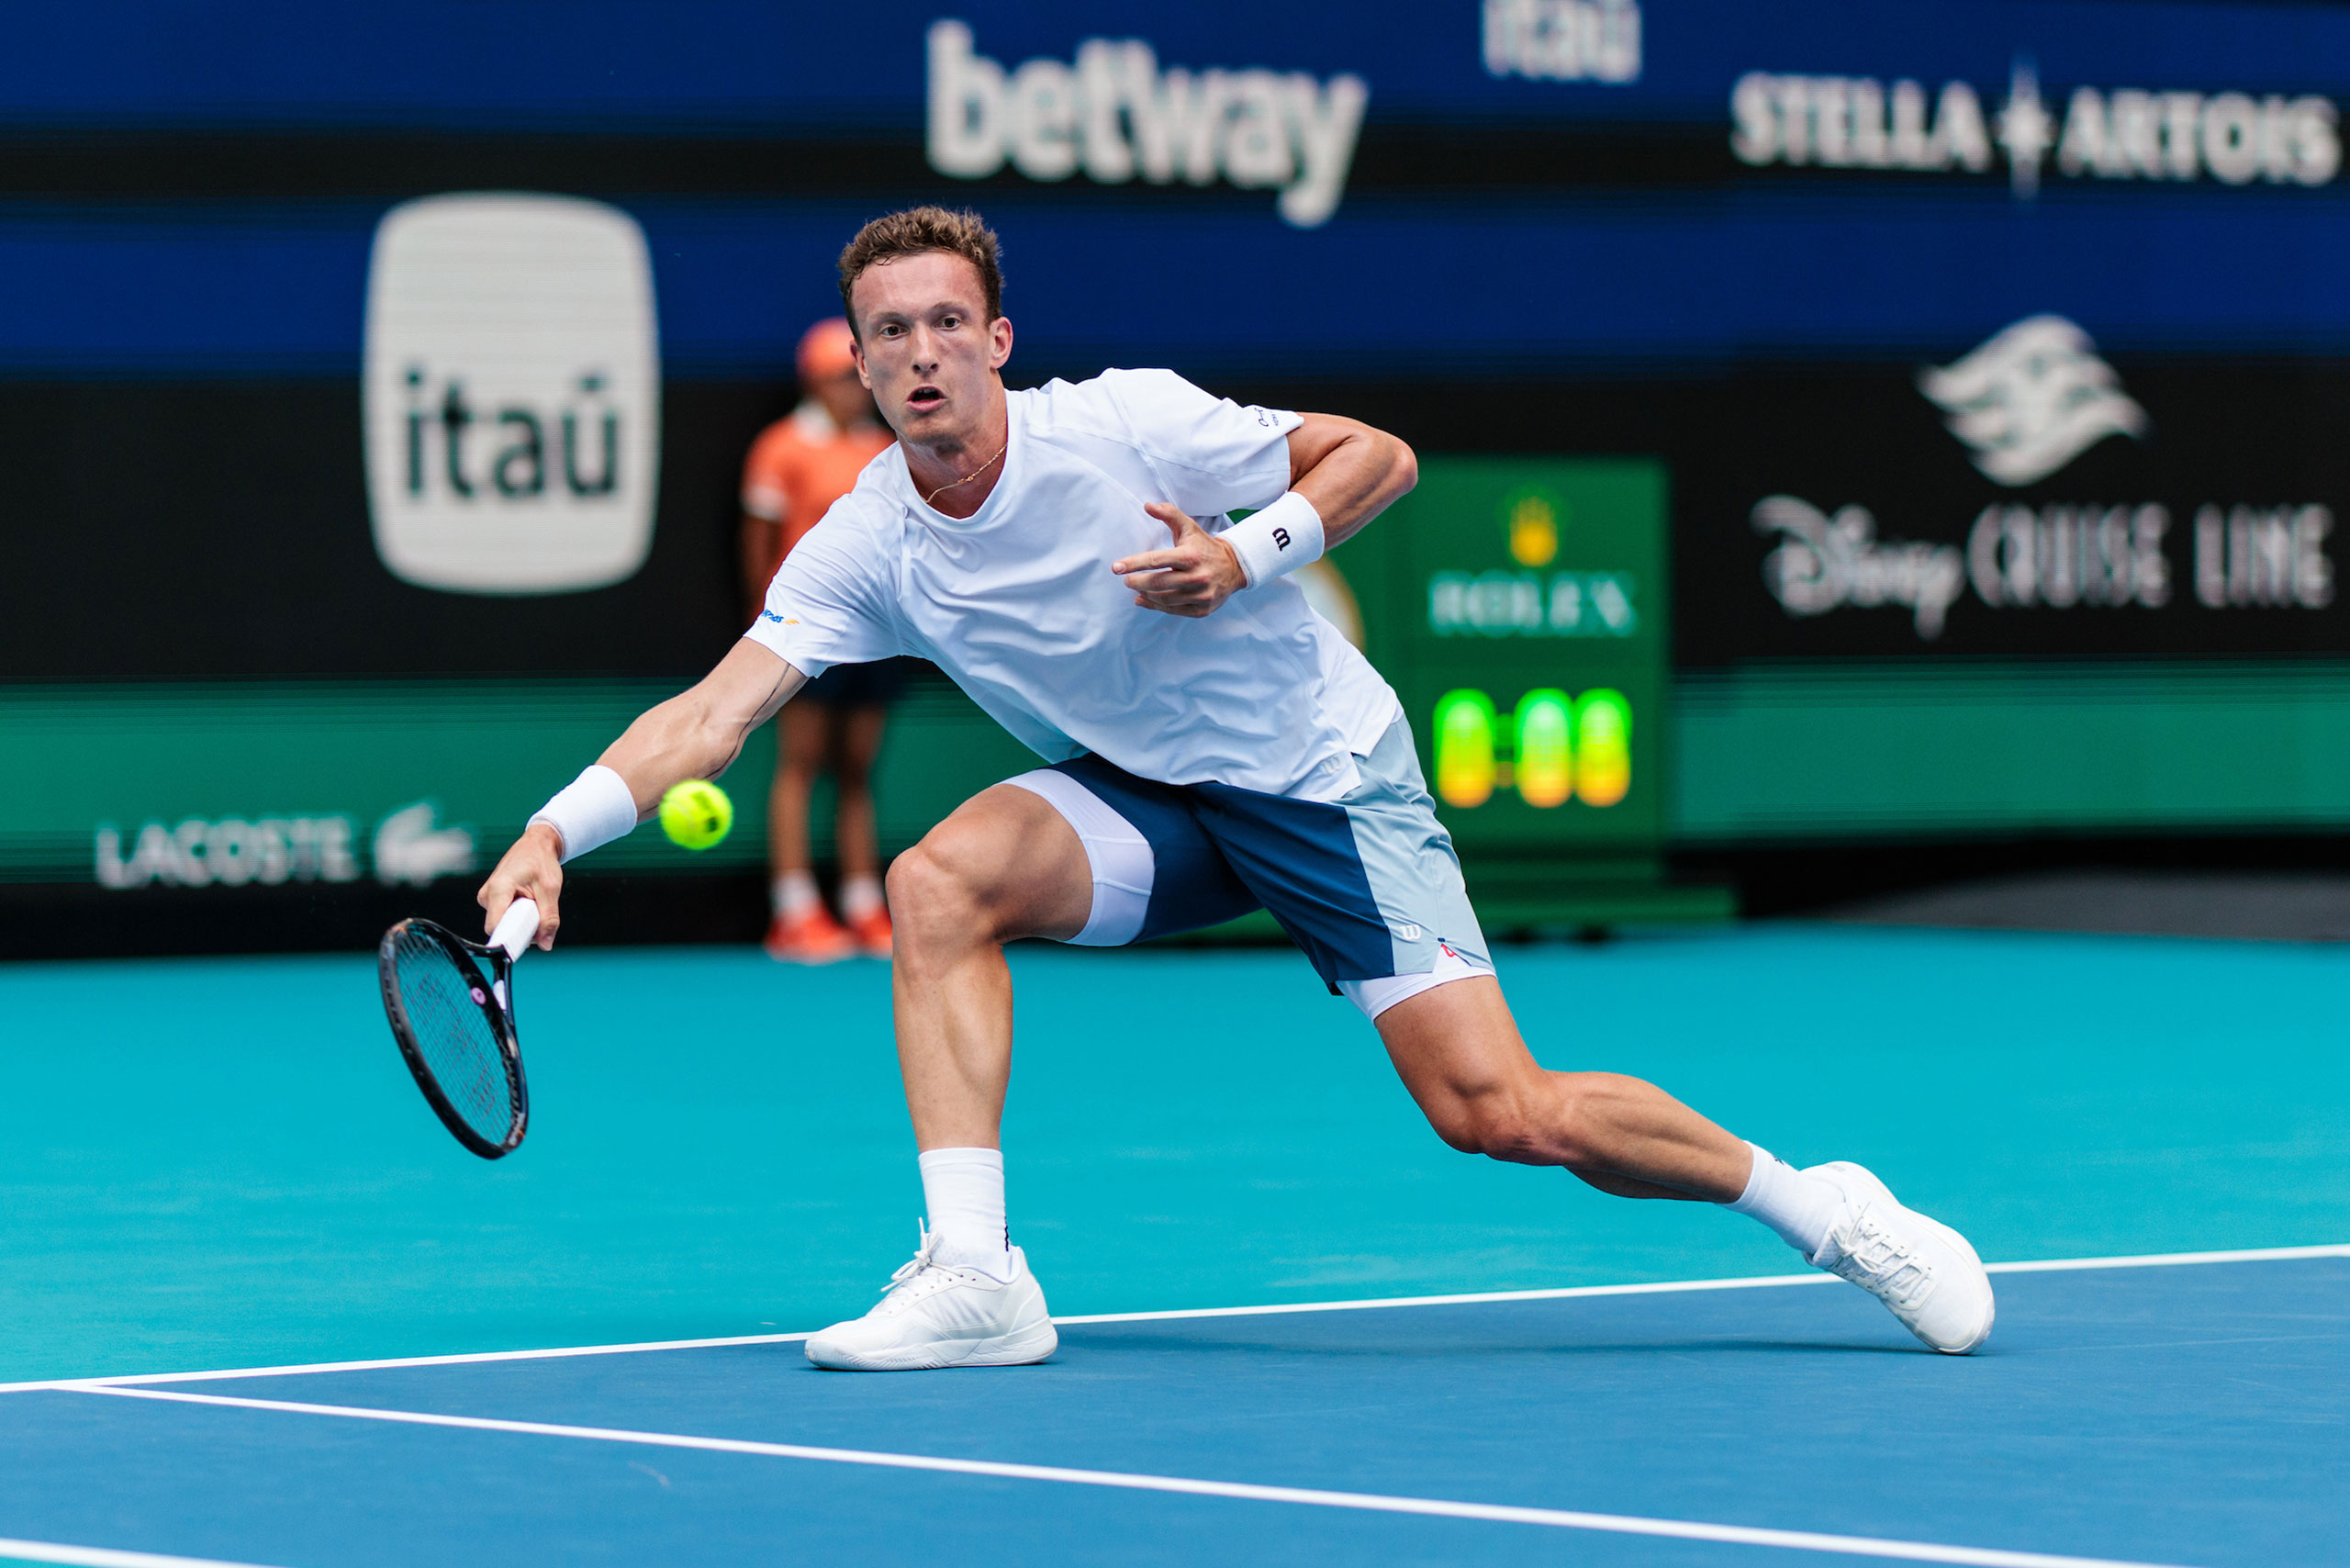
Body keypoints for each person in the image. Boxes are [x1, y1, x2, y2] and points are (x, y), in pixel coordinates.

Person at [481, 207, 1996, 1372]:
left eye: (950, 319)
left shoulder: (1127, 421)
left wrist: (1246, 549)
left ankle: (1824, 1208)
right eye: (893, 330)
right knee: (937, 879)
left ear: (1000, 339)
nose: (923, 350)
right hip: (1148, 798)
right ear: (862, 360)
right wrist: (557, 828)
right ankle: (975, 1274)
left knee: (1498, 1110)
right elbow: (715, 713)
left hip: (1321, 779)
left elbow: (1379, 457)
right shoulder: (869, 537)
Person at [739, 318, 901, 961]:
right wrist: (765, 625)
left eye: (857, 378)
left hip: (876, 632)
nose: (853, 391)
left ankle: (863, 903)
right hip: (804, 632)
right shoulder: (780, 447)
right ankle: (795, 909)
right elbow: (757, 545)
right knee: (800, 766)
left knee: (858, 769)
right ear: (814, 381)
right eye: (839, 378)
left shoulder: (882, 447)